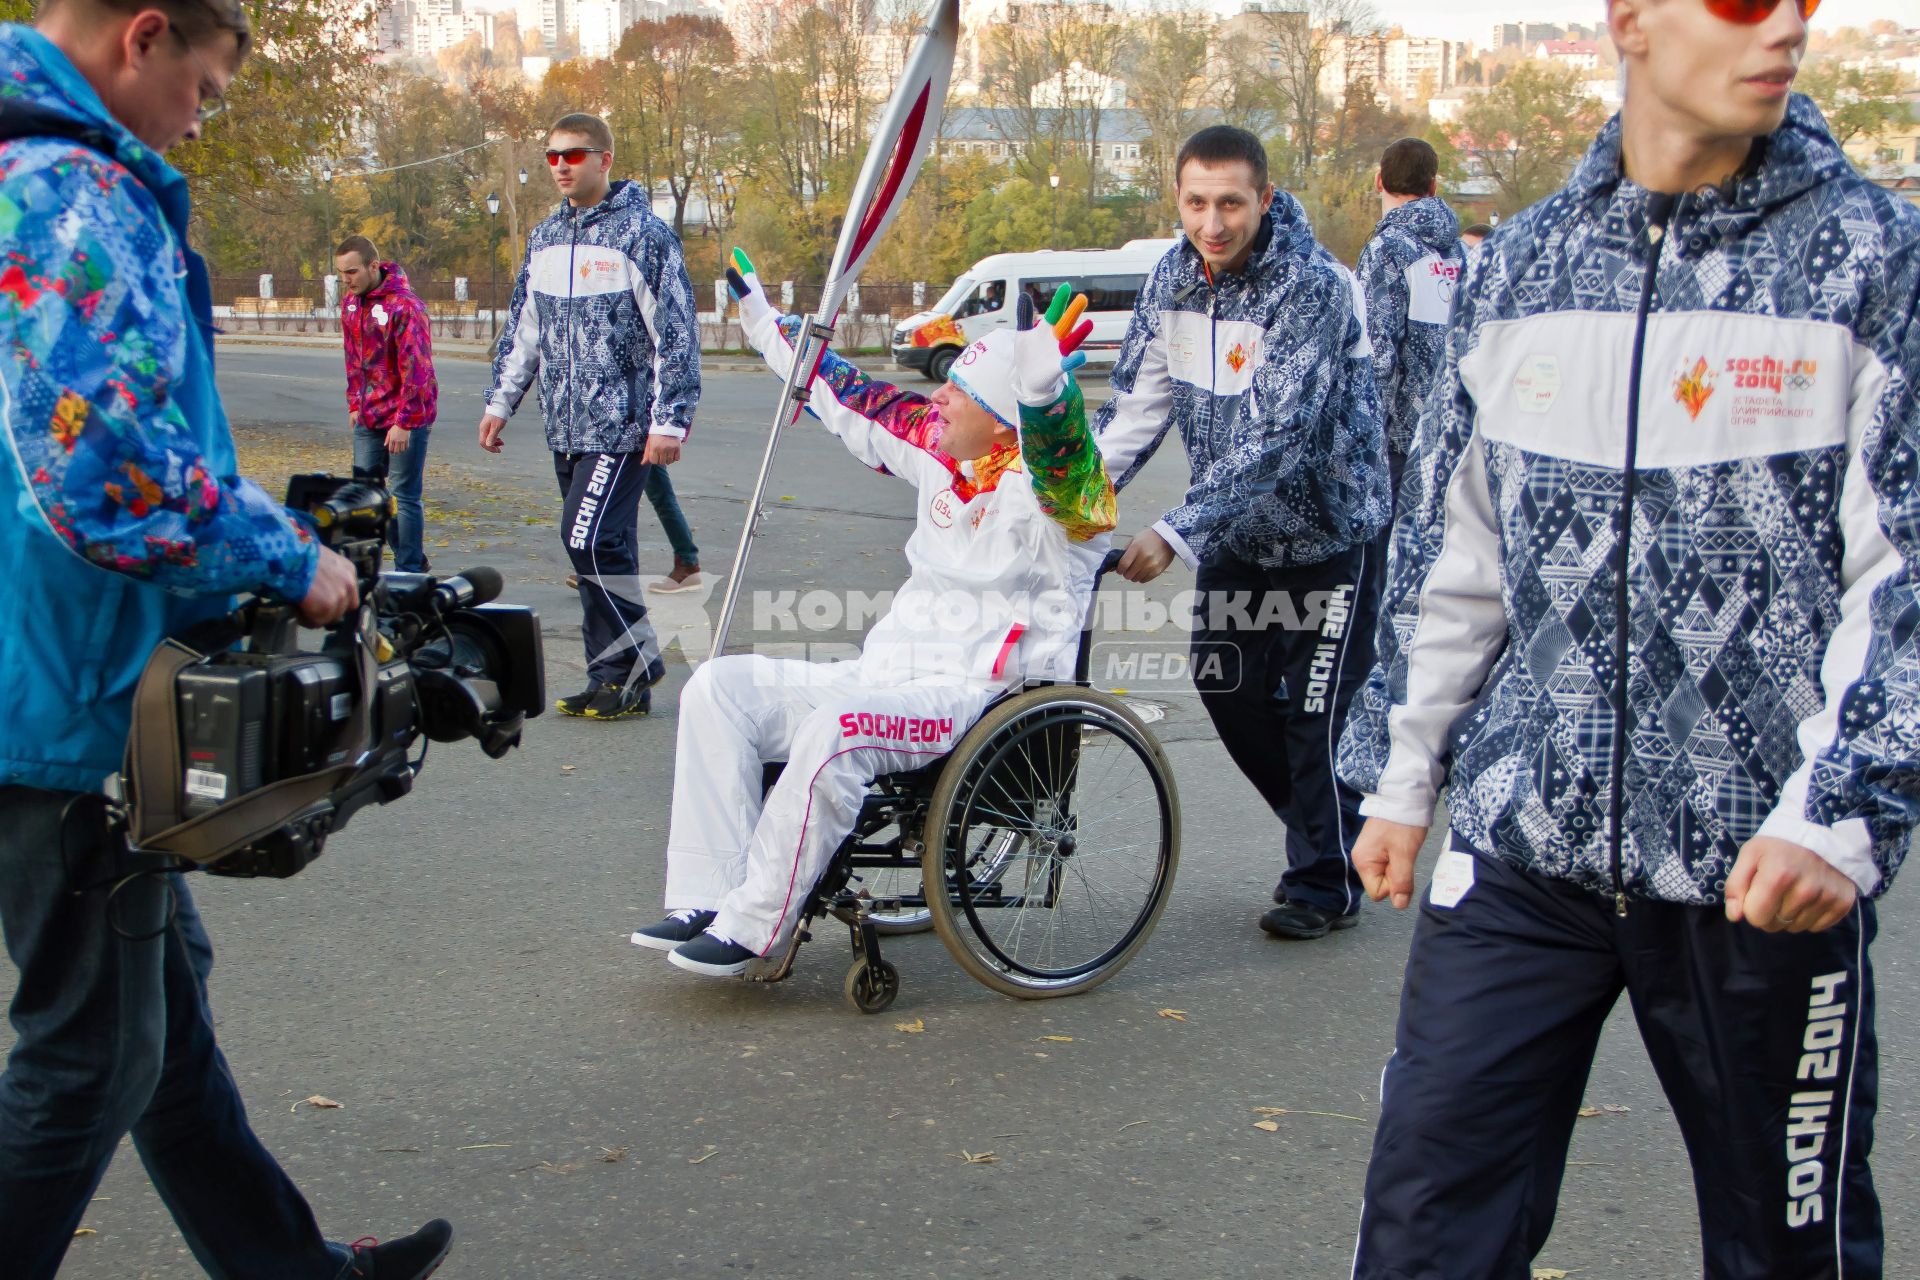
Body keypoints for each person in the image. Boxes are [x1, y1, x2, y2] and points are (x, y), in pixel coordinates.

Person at [1337, 0, 1920, 1272]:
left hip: (1759, 872)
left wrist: (1843, 811)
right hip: (1521, 848)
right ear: (1633, 18)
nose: (1786, 30)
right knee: (1426, 1222)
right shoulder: (1526, 263)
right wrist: (1403, 772)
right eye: (1743, 1)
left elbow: (1911, 576)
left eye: (1806, 4)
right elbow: (1455, 553)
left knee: (1788, 1250)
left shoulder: (1876, 258)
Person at [0, 3, 451, 1277]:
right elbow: (109, 472)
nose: (201, 117)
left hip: (52, 669)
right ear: (142, 37)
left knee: (164, 1021)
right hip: (64, 695)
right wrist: (288, 558)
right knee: (91, 1060)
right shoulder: (66, 190)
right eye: (200, 86)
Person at [630, 253, 1113, 977]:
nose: (940, 399)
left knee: (837, 731)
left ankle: (756, 924)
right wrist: (762, 319)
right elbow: (848, 394)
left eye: (961, 390)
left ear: (1006, 421)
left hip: (973, 697)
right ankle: (709, 895)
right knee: (718, 689)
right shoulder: (943, 455)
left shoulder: (1057, 507)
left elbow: (1069, 472)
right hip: (886, 674)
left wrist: (1046, 398)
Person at [1095, 125, 1391, 941]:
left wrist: (1173, 531)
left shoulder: (1315, 286)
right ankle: (1340, 832)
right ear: (1178, 199)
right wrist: (1071, 495)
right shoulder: (1170, 277)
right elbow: (1136, 405)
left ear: (1264, 196)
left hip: (1331, 534)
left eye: (1231, 202)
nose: (1213, 223)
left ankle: (1320, 882)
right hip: (1236, 536)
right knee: (1227, 687)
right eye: (1196, 202)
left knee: (1314, 714)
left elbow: (1277, 438)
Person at [480, 111, 700, 720]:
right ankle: (616, 680)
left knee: (586, 540)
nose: (560, 167)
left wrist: (669, 421)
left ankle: (637, 656)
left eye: (573, 155)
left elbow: (676, 333)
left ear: (605, 159)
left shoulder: (643, 236)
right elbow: (524, 330)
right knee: (609, 552)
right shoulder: (546, 239)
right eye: (552, 156)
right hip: (566, 426)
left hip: (623, 427)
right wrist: (501, 403)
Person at [1355, 137, 1463, 492]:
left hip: (1399, 444)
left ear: (1378, 181)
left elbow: (1377, 354)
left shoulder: (1387, 249)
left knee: (1388, 546)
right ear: (1433, 186)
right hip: (1455, 430)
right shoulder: (1463, 252)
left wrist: (1360, 438)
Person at [335, 234, 436, 573]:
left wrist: (404, 422)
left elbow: (417, 369)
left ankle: (409, 571)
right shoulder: (351, 303)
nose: (347, 280)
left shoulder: (405, 306)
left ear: (373, 266)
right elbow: (353, 358)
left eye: (352, 272)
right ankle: (369, 567)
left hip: (407, 415)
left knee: (402, 496)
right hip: (368, 415)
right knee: (364, 495)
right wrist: (354, 402)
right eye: (341, 274)